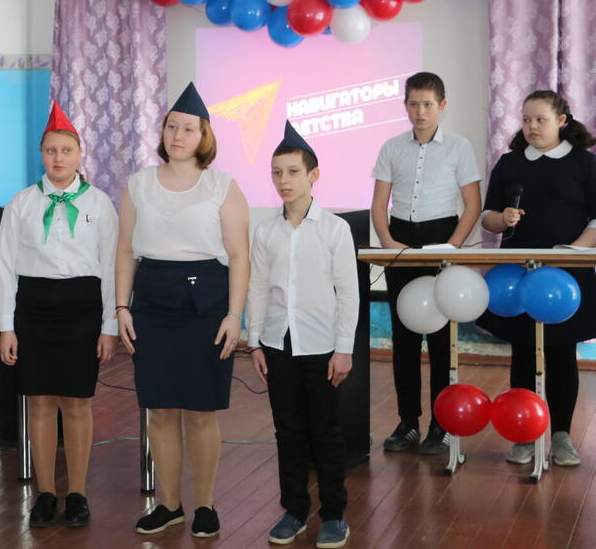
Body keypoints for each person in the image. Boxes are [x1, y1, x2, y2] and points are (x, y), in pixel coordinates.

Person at [116, 83, 250, 539]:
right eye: (172, 126)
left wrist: (234, 315)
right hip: (152, 304)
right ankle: (169, 505)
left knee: (200, 410)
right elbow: (125, 250)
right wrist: (122, 307)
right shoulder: (138, 184)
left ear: (203, 135)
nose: (177, 135)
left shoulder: (222, 186)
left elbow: (239, 256)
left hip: (206, 304)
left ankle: (205, 505)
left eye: (188, 128)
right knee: (159, 410)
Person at [0, 101, 119, 528]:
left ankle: (78, 493)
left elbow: (110, 268)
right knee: (40, 402)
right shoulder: (22, 203)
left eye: (66, 150)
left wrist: (109, 326)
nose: (58, 158)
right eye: (51, 150)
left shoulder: (100, 204)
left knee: (78, 402)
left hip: (82, 307)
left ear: (80, 154)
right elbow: (5, 269)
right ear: (41, 154)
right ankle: (46, 493)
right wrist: (7, 327)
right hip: (33, 308)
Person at [248, 122, 358, 549]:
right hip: (278, 343)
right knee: (287, 429)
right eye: (277, 172)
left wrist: (344, 349)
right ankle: (294, 510)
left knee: (326, 431)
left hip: (322, 344)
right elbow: (259, 287)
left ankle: (333, 514)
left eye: (292, 172)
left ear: (314, 175)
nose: (283, 181)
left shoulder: (334, 229)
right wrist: (255, 340)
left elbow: (348, 291)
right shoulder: (265, 230)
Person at [478, 90, 596, 467]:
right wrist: (502, 219)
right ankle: (524, 434)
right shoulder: (510, 163)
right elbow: (487, 217)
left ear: (561, 121)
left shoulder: (584, 163)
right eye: (526, 119)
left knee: (562, 353)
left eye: (540, 119)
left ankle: (561, 435)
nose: (531, 126)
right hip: (518, 275)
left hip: (567, 275)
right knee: (524, 352)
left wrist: (570, 252)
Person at [370, 72, 481, 455]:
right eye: (414, 104)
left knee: (439, 339)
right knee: (404, 336)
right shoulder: (391, 147)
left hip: (442, 239)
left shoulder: (459, 147)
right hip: (401, 241)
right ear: (405, 105)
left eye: (428, 104)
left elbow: (472, 205)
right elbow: (379, 204)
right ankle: (407, 423)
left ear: (442, 106)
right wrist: (389, 243)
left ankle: (440, 423)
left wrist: (452, 247)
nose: (420, 111)